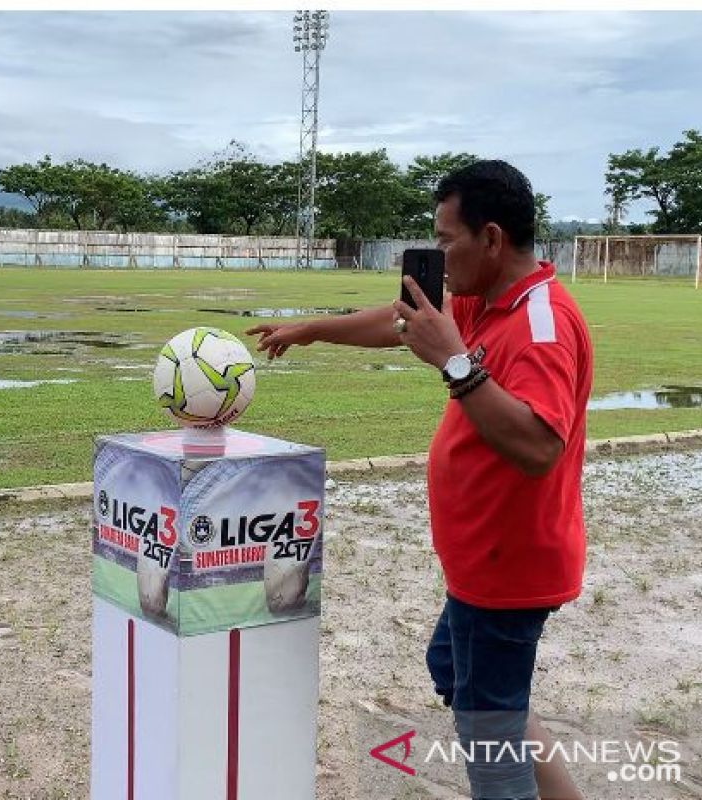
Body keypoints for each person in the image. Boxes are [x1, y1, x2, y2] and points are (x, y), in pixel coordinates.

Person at [247, 160, 591, 800]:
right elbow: (399, 320)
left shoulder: (540, 324)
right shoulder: (485, 301)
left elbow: (540, 446)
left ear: (490, 238)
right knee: (468, 683)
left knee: (489, 739)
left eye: (445, 239)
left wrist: (455, 362)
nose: (439, 253)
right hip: (484, 559)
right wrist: (313, 329)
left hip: (510, 566)